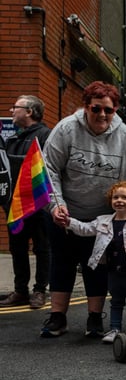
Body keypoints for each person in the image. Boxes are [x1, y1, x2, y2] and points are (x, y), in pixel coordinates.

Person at [41, 81, 126, 338]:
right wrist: (57, 206)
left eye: (108, 110)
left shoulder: (124, 137)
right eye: (96, 109)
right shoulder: (66, 129)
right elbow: (49, 169)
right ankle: (58, 317)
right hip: (65, 210)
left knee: (98, 265)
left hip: (103, 215)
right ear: (86, 107)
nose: (102, 115)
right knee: (62, 262)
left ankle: (94, 319)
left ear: (116, 110)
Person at [65, 181, 126, 344]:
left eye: (124, 197)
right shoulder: (103, 221)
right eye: (115, 197)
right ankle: (115, 329)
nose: (119, 200)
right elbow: (85, 229)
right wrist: (69, 222)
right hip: (112, 271)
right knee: (116, 301)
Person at [0, 95, 51, 309]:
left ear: (29, 112)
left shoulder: (46, 136)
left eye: (16, 108)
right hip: (16, 205)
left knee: (42, 248)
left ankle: (40, 290)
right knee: (17, 248)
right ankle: (21, 290)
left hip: (39, 205)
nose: (12, 111)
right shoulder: (14, 139)